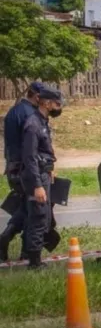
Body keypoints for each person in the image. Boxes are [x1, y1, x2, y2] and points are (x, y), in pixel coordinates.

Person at [0, 82, 44, 263]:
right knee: (33, 208)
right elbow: (30, 147)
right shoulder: (30, 115)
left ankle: (18, 246)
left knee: (26, 205)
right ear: (38, 97)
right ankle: (8, 240)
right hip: (25, 168)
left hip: (12, 165)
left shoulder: (14, 111)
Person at [20, 86, 63, 269]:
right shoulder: (33, 125)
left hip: (43, 173)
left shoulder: (42, 122)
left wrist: (50, 169)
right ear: (45, 102)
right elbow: (29, 158)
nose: (58, 107)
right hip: (35, 177)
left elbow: (43, 151)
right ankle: (34, 263)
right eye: (56, 103)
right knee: (38, 217)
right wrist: (37, 185)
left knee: (43, 217)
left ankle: (32, 256)